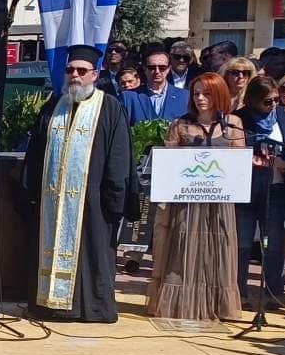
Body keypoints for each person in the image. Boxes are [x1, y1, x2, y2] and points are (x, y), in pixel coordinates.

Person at [23, 45, 134, 324]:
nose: (75, 75)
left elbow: (119, 157)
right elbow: (36, 152)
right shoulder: (54, 106)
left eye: (81, 71)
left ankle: (88, 308)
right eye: (70, 70)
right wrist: (32, 191)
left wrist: (114, 198)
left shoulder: (109, 108)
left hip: (93, 201)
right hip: (52, 201)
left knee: (91, 252)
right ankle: (48, 304)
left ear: (94, 75)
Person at [146, 74, 244, 323]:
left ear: (219, 94)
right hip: (186, 201)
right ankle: (180, 303)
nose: (200, 98)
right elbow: (168, 163)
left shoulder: (233, 124)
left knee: (218, 249)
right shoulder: (181, 124)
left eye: (206, 93)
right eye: (196, 93)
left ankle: (217, 305)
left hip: (219, 201)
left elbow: (239, 163)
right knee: (183, 249)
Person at [235, 75, 285, 309]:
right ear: (253, 100)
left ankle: (274, 292)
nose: (273, 105)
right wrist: (250, 158)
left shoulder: (284, 117)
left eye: (276, 100)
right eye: (267, 101)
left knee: (273, 244)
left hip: (275, 188)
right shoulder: (238, 119)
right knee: (242, 244)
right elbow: (231, 150)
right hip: (246, 188)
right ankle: (239, 293)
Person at [123, 47, 189, 125]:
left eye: (162, 68)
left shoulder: (185, 96)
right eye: (152, 68)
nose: (157, 71)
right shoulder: (129, 97)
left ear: (169, 69)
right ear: (144, 69)